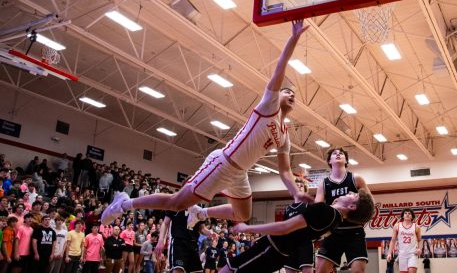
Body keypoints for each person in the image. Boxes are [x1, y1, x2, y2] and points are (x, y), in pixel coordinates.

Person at [102, 20, 312, 227]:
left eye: (294, 94)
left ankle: (200, 213)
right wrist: (293, 39)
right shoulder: (269, 106)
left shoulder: (285, 137)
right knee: (176, 203)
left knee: (242, 214)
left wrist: (296, 193)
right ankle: (124, 204)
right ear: (278, 95)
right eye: (287, 91)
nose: (291, 95)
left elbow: (285, 171)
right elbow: (279, 69)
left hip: (240, 173)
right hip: (224, 163)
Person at [220, 190, 375, 273]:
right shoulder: (335, 221)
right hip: (278, 254)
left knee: (228, 270)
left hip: (270, 250)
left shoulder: (325, 212)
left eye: (352, 195)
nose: (348, 192)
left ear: (352, 206)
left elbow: (284, 228)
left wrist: (248, 228)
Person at [315, 147, 371, 273]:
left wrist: (362, 220)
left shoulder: (356, 178)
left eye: (341, 153)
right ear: (329, 161)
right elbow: (317, 209)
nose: (338, 154)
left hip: (354, 230)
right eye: (334, 153)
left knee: (358, 270)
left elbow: (369, 204)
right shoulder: (323, 183)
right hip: (333, 231)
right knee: (320, 270)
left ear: (346, 160)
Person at [283, 177, 313, 273]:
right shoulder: (287, 209)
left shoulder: (308, 205)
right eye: (297, 186)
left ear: (305, 190)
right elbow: (283, 229)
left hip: (305, 243)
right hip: (291, 245)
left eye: (301, 186)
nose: (299, 187)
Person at [387, 209, 421, 273]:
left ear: (412, 216)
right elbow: (393, 240)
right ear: (403, 216)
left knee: (412, 271)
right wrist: (389, 253)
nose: (407, 214)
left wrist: (419, 248)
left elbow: (419, 240)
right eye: (405, 213)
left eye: (409, 213)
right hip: (402, 254)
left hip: (412, 253)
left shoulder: (416, 227)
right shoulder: (397, 226)